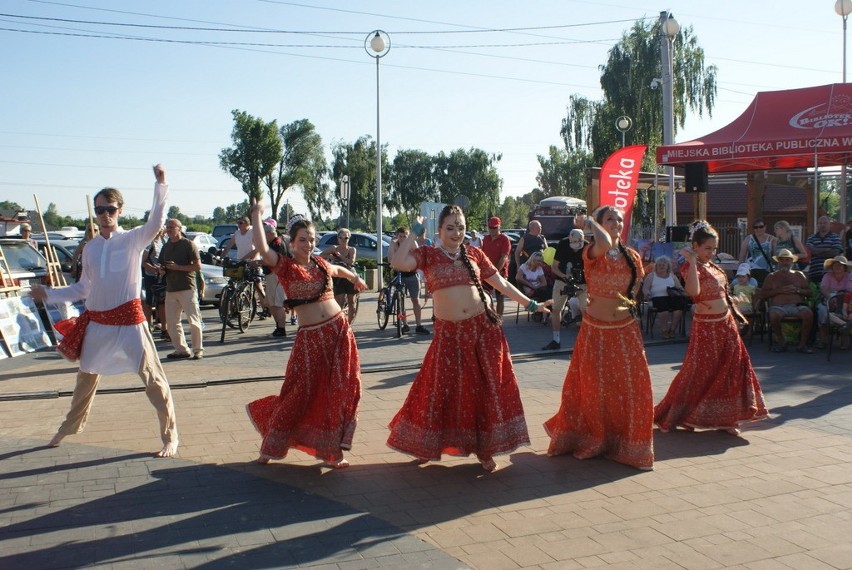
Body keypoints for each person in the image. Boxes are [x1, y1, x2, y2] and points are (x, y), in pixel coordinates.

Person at [28, 164, 178, 458]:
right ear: (94, 213)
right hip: (98, 323)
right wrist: (47, 293)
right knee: (85, 379)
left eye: (110, 208)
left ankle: (171, 437)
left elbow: (157, 219)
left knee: (154, 380)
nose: (104, 215)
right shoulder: (91, 248)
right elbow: (82, 289)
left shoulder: (133, 239)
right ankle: (68, 428)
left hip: (129, 322)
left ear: (119, 210)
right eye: (99, 210)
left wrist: (161, 184)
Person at [388, 205, 550, 472]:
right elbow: (397, 262)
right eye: (450, 227)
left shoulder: (474, 253)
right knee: (437, 390)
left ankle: (485, 451)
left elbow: (501, 283)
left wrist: (531, 304)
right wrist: (415, 233)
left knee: (484, 392)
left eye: (461, 227)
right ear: (438, 230)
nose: (456, 232)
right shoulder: (427, 254)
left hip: (482, 331)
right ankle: (426, 444)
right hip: (449, 335)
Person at [246, 203, 367, 468]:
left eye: (312, 239)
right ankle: (271, 447)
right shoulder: (285, 266)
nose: (309, 244)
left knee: (338, 391)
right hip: (311, 340)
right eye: (303, 240)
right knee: (297, 394)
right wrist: (256, 216)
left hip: (338, 334)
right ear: (292, 242)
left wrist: (356, 278)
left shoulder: (322, 264)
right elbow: (264, 249)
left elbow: (341, 271)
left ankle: (331, 452)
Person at [543, 206, 654, 470]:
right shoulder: (592, 252)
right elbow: (604, 241)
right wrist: (591, 219)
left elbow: (635, 289)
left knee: (630, 387)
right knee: (594, 389)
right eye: (610, 219)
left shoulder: (632, 256)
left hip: (625, 330)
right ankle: (595, 439)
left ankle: (626, 443)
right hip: (595, 330)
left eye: (619, 219)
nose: (616, 223)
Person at [654, 221, 768, 436]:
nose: (711, 252)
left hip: (726, 323)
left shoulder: (714, 267)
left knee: (732, 369)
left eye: (714, 249)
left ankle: (728, 418)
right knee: (700, 372)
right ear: (695, 246)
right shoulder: (690, 266)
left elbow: (721, 291)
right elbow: (693, 293)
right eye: (707, 248)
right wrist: (692, 261)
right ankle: (683, 414)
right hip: (707, 327)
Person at [160, 218, 204, 360]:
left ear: (179, 228)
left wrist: (178, 267)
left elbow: (198, 266)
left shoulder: (188, 244)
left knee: (193, 320)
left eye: (172, 226)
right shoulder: (166, 246)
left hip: (187, 288)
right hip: (171, 288)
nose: (169, 229)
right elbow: (162, 265)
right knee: (172, 322)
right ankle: (181, 349)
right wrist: (161, 270)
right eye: (167, 227)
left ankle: (198, 350)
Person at [761, 249, 814, 353]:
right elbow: (763, 294)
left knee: (808, 314)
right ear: (778, 262)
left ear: (792, 261)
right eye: (782, 260)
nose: (785, 262)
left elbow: (810, 292)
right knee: (773, 315)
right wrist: (779, 290)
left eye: (787, 260)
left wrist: (797, 290)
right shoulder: (772, 276)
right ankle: (781, 342)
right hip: (779, 306)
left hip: (797, 306)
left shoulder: (799, 275)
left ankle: (802, 345)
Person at [544, 228, 586, 350]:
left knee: (586, 310)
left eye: (578, 244)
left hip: (582, 284)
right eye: (573, 244)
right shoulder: (562, 244)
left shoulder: (587, 247)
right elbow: (554, 267)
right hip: (562, 280)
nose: (575, 247)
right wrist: (564, 276)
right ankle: (556, 340)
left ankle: (588, 340)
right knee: (556, 309)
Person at [387, 227, 429, 334]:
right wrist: (393, 247)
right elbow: (390, 260)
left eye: (405, 236)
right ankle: (404, 324)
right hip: (400, 274)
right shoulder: (394, 244)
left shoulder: (413, 243)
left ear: (408, 235)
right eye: (400, 236)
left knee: (415, 299)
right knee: (400, 300)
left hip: (411, 274)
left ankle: (418, 325)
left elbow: (417, 257)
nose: (402, 238)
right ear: (397, 236)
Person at [641, 255, 688, 339]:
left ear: (668, 266)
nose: (661, 266)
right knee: (663, 308)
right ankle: (664, 330)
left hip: (672, 297)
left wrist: (685, 292)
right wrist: (647, 293)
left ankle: (672, 330)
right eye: (659, 265)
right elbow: (645, 288)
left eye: (663, 265)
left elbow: (679, 287)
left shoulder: (672, 276)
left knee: (679, 307)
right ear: (656, 266)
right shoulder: (651, 276)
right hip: (657, 298)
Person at [321, 228, 358, 322]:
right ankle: (339, 324)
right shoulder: (334, 248)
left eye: (346, 238)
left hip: (350, 276)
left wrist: (340, 256)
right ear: (338, 238)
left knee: (352, 303)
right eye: (341, 238)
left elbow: (350, 262)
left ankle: (348, 325)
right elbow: (320, 256)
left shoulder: (352, 250)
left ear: (349, 239)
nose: (343, 240)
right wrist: (329, 256)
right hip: (338, 278)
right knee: (339, 302)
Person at [262, 219, 290, 338]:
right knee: (272, 303)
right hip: (271, 275)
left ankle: (281, 329)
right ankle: (278, 327)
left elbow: (276, 261)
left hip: (276, 276)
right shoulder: (274, 243)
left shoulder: (277, 244)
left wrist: (259, 262)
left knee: (277, 304)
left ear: (270, 233)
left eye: (264, 234)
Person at [816, 255, 852, 348]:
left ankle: (845, 341)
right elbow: (823, 288)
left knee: (847, 311)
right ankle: (823, 341)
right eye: (835, 265)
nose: (838, 266)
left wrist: (840, 298)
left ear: (845, 267)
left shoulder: (849, 276)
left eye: (841, 265)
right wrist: (830, 298)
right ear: (832, 266)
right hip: (828, 300)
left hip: (845, 301)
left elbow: (849, 290)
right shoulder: (827, 276)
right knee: (822, 311)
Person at [480, 216, 512, 316]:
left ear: (499, 227)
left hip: (500, 272)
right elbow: (482, 255)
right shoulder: (485, 239)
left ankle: (499, 319)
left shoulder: (504, 239)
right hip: (486, 272)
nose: (492, 230)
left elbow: (504, 257)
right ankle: (490, 316)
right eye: (490, 227)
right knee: (485, 296)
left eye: (495, 227)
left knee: (499, 297)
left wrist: (496, 271)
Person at [141, 226, 167, 335]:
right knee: (149, 303)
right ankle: (148, 328)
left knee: (162, 303)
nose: (158, 231)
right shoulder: (149, 243)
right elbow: (143, 262)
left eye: (160, 229)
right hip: (151, 277)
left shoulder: (163, 241)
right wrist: (155, 269)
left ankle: (164, 329)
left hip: (162, 277)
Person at [738, 218, 776, 286]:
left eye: (761, 227)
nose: (758, 229)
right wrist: (740, 270)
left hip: (766, 269)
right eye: (756, 227)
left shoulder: (772, 239)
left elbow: (776, 255)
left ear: (765, 227)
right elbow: (742, 256)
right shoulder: (749, 239)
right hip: (752, 268)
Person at [806, 216, 843, 284]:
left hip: (830, 273)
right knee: (815, 294)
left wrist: (817, 252)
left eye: (825, 223)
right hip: (814, 273)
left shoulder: (835, 237)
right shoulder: (811, 238)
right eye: (820, 223)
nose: (822, 225)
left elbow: (835, 253)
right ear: (817, 225)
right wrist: (826, 249)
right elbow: (809, 251)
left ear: (829, 224)